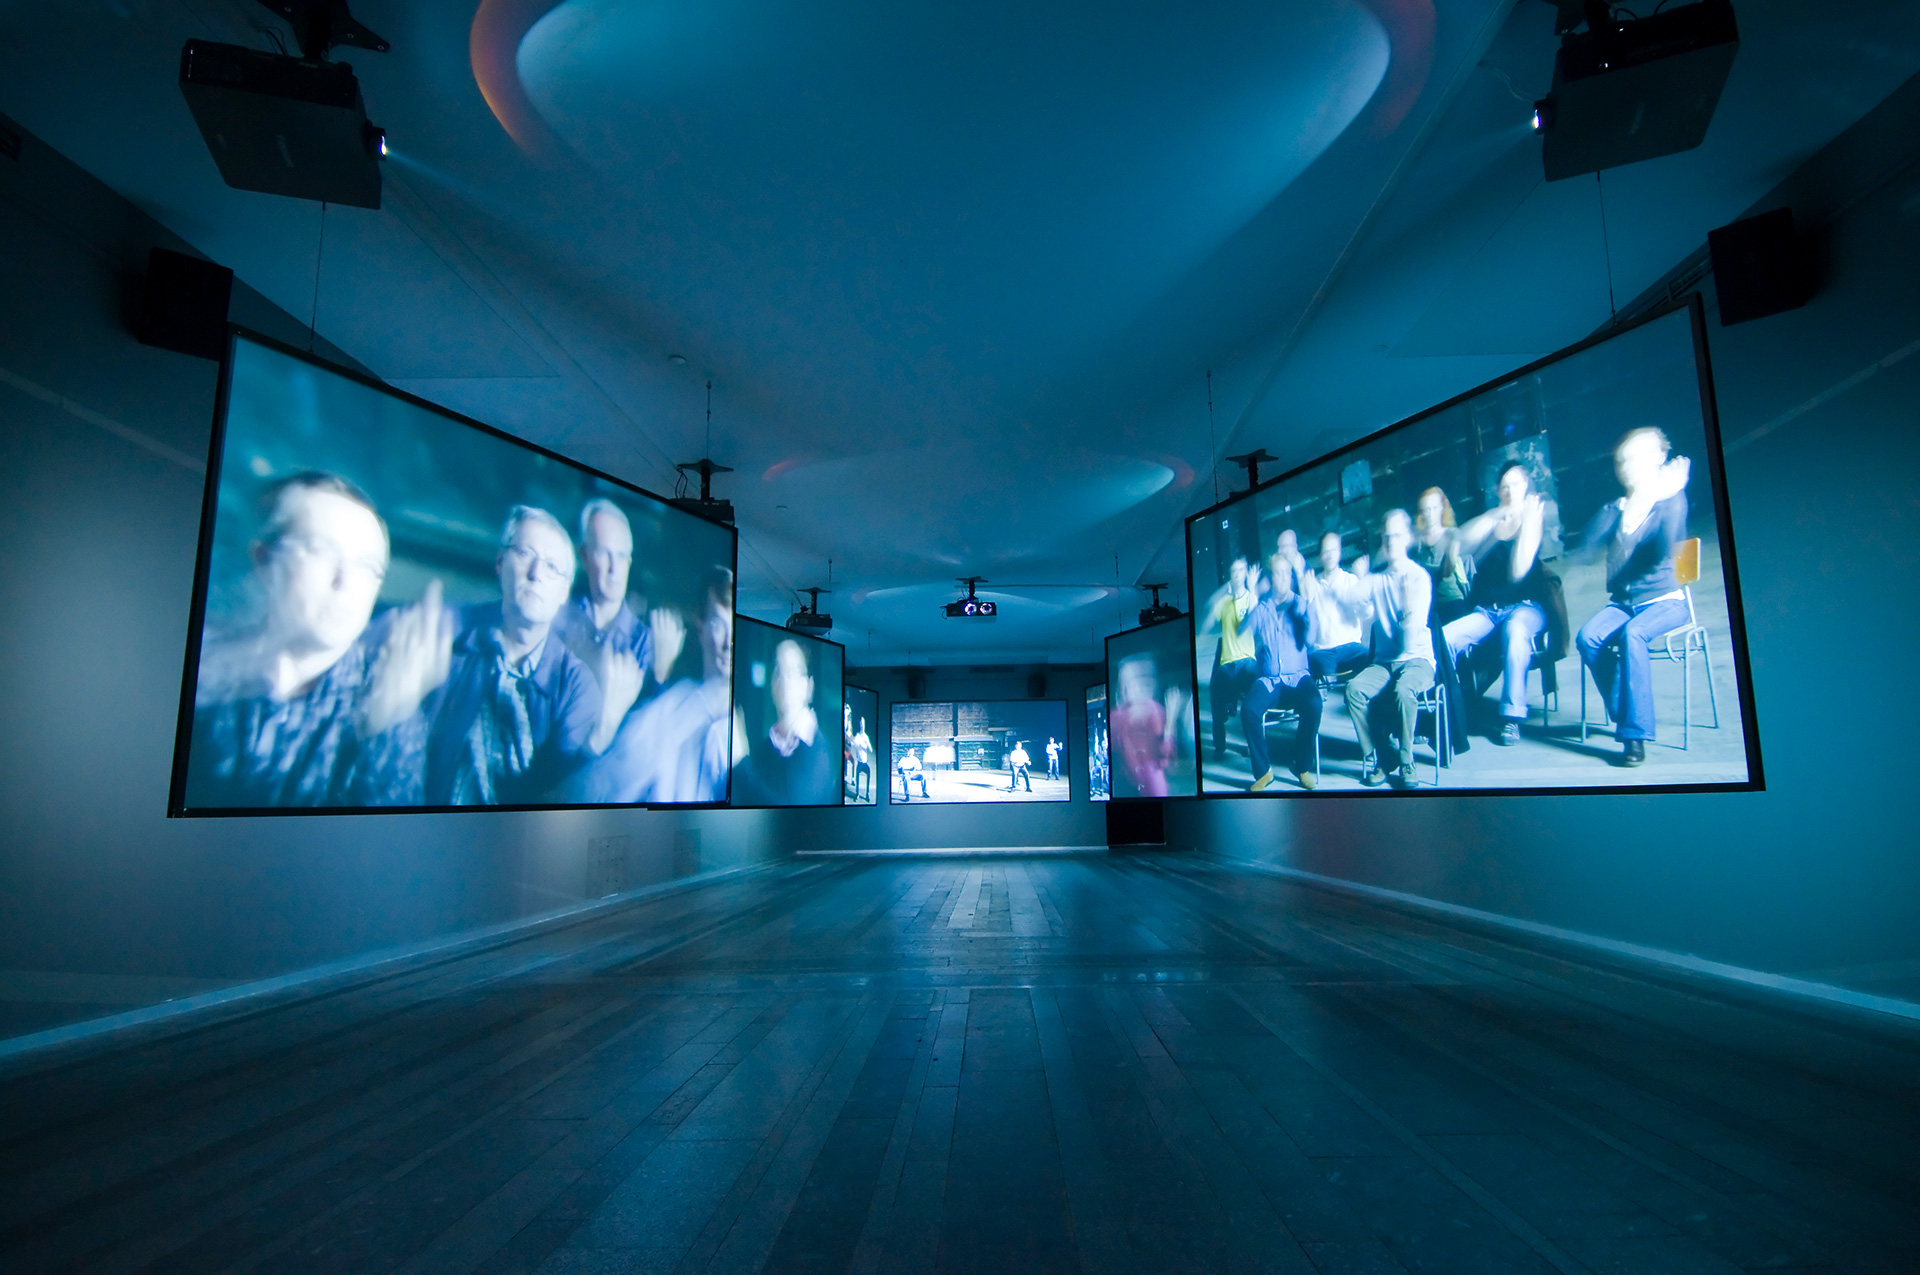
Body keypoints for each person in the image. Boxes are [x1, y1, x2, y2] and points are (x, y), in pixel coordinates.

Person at [188, 472, 446, 807]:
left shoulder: (386, 700)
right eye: (321, 551)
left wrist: (384, 736)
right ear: (264, 559)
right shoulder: (199, 662)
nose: (346, 582)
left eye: (366, 566)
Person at [424, 506, 630, 805]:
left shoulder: (576, 685)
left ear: (564, 592)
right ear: (500, 563)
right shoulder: (449, 640)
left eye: (552, 567)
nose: (536, 574)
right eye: (524, 554)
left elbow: (555, 799)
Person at [1572, 428, 1693, 767]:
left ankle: (1634, 735)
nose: (1627, 466)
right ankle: (1625, 710)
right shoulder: (1615, 508)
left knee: (1633, 634)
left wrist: (1660, 497)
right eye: (1621, 460)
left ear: (1658, 457)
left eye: (1636, 458)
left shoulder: (1671, 500)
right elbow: (1585, 547)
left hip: (1666, 600)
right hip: (1624, 604)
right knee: (1588, 637)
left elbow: (1666, 550)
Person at [574, 566, 736, 804]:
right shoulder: (672, 704)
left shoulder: (741, 731)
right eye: (719, 625)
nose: (728, 643)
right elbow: (601, 787)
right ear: (700, 624)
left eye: (734, 629)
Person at [1441, 462, 1553, 746]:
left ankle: (1511, 717)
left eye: (1516, 484)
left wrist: (1524, 522)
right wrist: (1494, 516)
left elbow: (1517, 572)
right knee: (1445, 638)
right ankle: (1454, 707)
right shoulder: (1493, 521)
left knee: (1515, 631)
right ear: (1497, 491)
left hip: (1526, 608)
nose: (1510, 490)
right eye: (1504, 486)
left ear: (1526, 486)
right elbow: (1458, 545)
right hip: (1489, 611)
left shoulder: (1534, 519)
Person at [1345, 510, 1436, 788]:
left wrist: (1406, 606)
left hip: (1417, 659)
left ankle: (1407, 760)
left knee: (1404, 690)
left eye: (1396, 535)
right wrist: (1358, 580)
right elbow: (1347, 601)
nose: (1390, 541)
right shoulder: (1377, 579)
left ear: (1407, 538)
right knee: (1353, 690)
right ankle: (1383, 755)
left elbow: (1408, 642)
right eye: (1386, 536)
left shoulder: (1418, 578)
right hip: (1385, 663)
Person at [1240, 559, 1321, 790]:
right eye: (1277, 573)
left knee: (1314, 705)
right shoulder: (1262, 608)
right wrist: (1251, 593)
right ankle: (1264, 771)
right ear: (1271, 578)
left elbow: (1311, 639)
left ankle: (1302, 766)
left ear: (1291, 577)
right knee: (1249, 710)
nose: (1283, 578)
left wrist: (1310, 603)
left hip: (1298, 677)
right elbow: (1242, 630)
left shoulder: (1301, 604)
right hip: (1269, 680)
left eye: (1286, 573)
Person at [734, 638, 835, 804]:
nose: (784, 678)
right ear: (771, 685)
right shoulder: (765, 749)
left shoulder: (818, 750)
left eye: (793, 671)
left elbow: (789, 810)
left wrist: (740, 762)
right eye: (778, 670)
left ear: (809, 687)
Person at [1201, 556, 1259, 760]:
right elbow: (1207, 622)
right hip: (1227, 662)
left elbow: (1255, 617)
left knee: (1249, 682)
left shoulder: (1251, 597)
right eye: (1234, 571)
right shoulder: (1224, 601)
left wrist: (1253, 588)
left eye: (1241, 570)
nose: (1237, 575)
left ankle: (1252, 742)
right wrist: (1221, 594)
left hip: (1247, 660)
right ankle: (1219, 743)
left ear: (1246, 573)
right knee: (1217, 685)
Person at [1302, 532, 1374, 683]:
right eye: (1325, 551)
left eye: (1333, 550)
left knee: (1370, 658)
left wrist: (1363, 580)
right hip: (1323, 650)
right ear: (1320, 555)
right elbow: (1307, 630)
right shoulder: (1313, 585)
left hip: (1351, 647)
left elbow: (1368, 613)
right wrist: (1309, 598)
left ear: (1340, 552)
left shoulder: (1351, 581)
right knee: (1310, 666)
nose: (1329, 555)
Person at [1110, 654, 1183, 798]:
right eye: (1137, 681)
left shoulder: (1156, 711)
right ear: (1124, 687)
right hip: (1123, 786)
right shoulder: (1116, 717)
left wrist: (1172, 717)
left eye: (1148, 681)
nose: (1143, 688)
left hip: (1152, 784)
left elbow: (1165, 756)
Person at [1413, 486, 1472, 626]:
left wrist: (1451, 551)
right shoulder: (1416, 540)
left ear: (1442, 509)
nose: (1430, 513)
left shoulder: (1452, 534)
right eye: (1426, 509)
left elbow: (1447, 571)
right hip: (1426, 604)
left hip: (1450, 600)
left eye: (1434, 508)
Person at [852, 717, 874, 800]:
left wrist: (866, 743)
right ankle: (857, 794)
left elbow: (871, 750)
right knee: (857, 776)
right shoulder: (857, 736)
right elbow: (853, 744)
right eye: (861, 724)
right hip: (859, 762)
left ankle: (867, 794)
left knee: (869, 774)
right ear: (860, 725)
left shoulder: (866, 737)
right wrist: (858, 743)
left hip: (865, 763)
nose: (862, 726)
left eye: (863, 724)